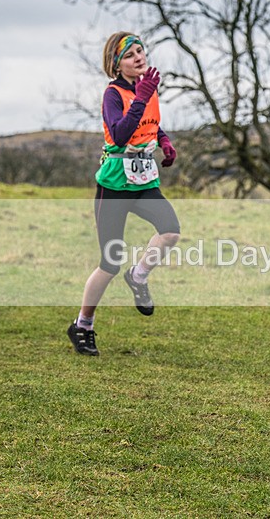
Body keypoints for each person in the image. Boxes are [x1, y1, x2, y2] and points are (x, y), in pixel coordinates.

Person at [66, 32, 181, 356]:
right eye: (130, 54)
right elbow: (118, 134)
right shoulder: (112, 94)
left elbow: (150, 124)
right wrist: (142, 96)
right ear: (117, 63)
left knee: (170, 232)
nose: (139, 57)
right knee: (109, 262)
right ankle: (83, 325)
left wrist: (165, 141)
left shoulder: (147, 87)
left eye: (141, 50)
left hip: (143, 181)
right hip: (114, 184)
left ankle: (139, 276)